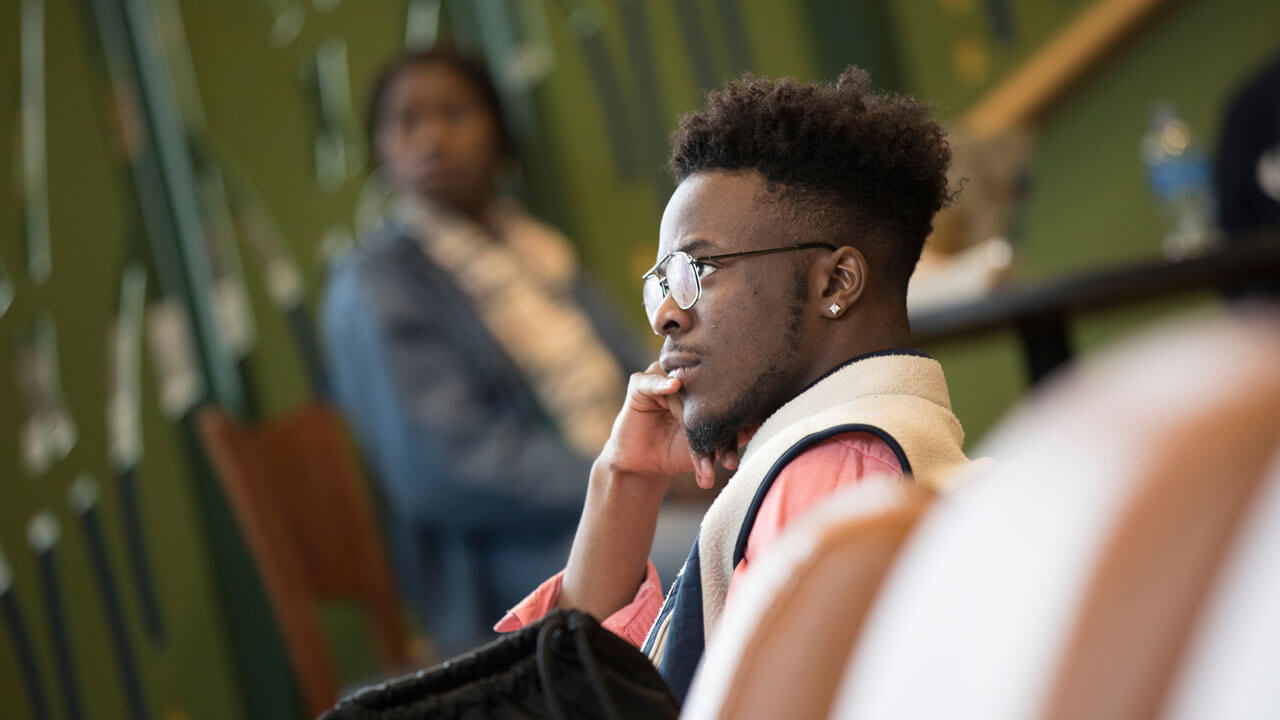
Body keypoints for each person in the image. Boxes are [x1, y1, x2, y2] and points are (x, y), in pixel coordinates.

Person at [495, 67, 975, 702]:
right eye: (662, 282)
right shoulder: (855, 448)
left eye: (698, 269)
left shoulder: (830, 477)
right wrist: (625, 479)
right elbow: (588, 685)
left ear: (835, 284)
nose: (668, 313)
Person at [321, 47, 646, 657]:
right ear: (380, 149)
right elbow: (448, 471)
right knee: (735, 549)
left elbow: (636, 368)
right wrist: (630, 481)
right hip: (509, 556)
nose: (432, 140)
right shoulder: (376, 283)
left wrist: (686, 452)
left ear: (498, 132)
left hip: (626, 498)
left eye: (455, 113)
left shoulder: (534, 251)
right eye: (406, 123)